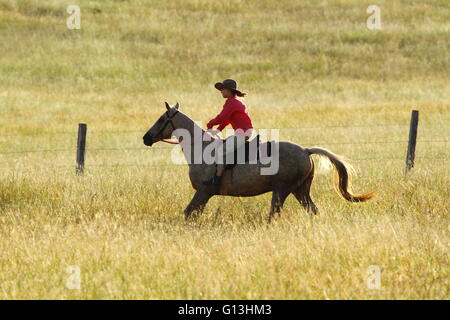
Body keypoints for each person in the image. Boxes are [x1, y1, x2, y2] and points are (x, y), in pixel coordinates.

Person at [203, 79, 254, 186]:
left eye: (223, 89)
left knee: (221, 150)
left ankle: (217, 179)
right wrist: (218, 130)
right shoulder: (235, 101)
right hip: (244, 133)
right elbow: (227, 120)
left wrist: (210, 124)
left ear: (229, 90)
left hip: (243, 134)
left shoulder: (231, 102)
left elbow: (222, 117)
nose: (221, 91)